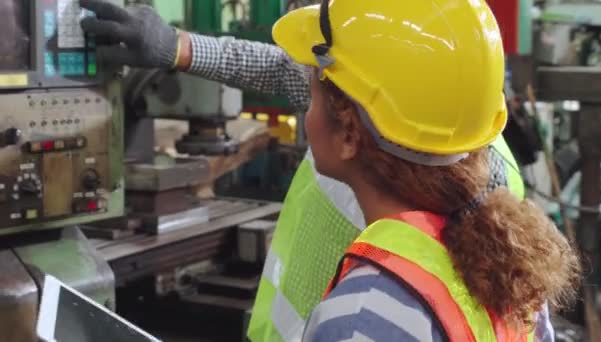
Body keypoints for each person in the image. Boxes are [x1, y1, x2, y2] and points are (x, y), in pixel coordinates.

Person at [77, 0, 561, 340]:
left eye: (313, 92)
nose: (302, 99)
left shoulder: (366, 318)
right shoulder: (458, 150)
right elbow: (284, 70)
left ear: (349, 132)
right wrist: (178, 47)